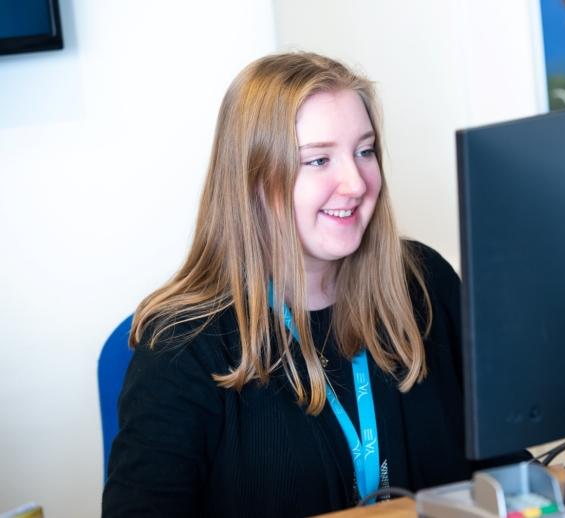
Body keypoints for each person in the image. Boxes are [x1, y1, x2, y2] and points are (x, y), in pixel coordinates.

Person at [102, 52, 477, 517]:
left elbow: (498, 469)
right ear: (253, 182)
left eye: (365, 151)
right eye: (318, 160)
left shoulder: (422, 282)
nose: (355, 183)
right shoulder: (182, 346)